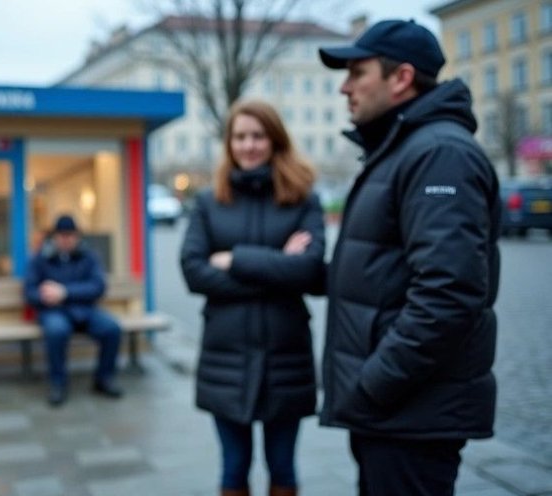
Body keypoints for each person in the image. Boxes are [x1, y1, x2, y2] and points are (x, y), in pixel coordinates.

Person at [317, 19, 501, 496]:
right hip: (396, 413)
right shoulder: (405, 148)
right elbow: (380, 270)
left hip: (410, 415)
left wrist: (374, 383)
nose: (344, 87)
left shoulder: (438, 153)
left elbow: (450, 292)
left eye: (357, 73)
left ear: (400, 78)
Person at [180, 100, 325, 496]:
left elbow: (312, 271)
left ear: (274, 139)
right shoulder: (210, 202)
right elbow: (194, 272)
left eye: (257, 136)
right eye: (240, 136)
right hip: (225, 356)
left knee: (282, 468)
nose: (248, 145)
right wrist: (279, 268)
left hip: (285, 355)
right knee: (233, 468)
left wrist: (235, 260)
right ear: (229, 143)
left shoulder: (302, 198)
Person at [24, 215, 123, 407]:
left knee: (112, 329)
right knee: (57, 331)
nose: (66, 239)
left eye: (70, 235)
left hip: (84, 310)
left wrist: (65, 292)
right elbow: (30, 291)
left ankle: (104, 379)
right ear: (55, 237)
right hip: (53, 311)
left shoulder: (89, 257)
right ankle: (58, 383)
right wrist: (45, 296)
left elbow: (98, 286)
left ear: (77, 236)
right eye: (62, 235)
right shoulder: (40, 258)